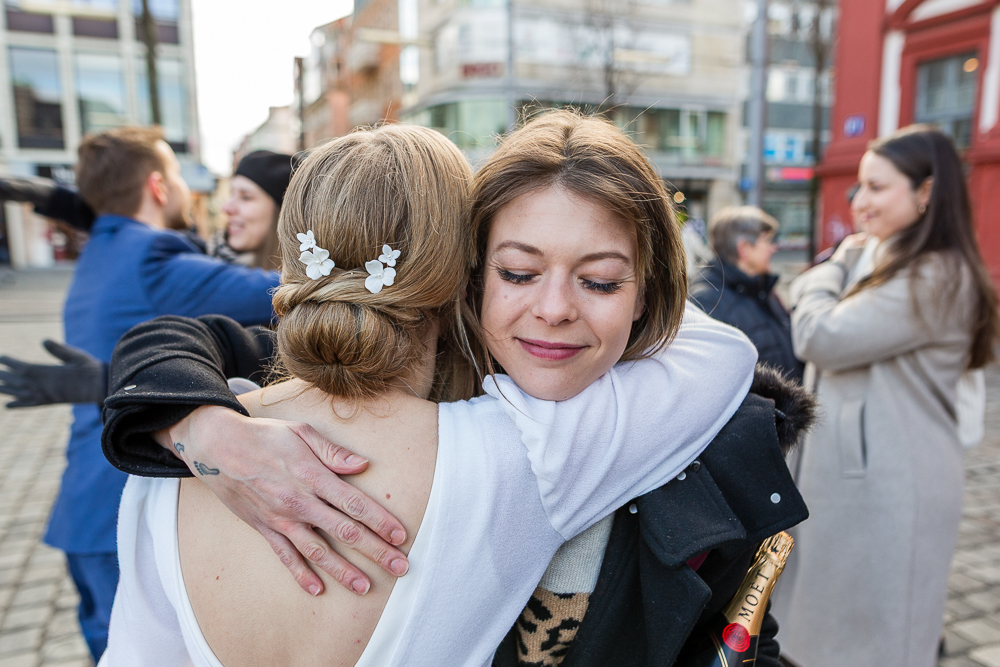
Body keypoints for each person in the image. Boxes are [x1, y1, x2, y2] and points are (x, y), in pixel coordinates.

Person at [101, 112, 812, 666]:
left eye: (597, 278)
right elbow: (722, 352)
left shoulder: (165, 471)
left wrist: (198, 427)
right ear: (462, 279)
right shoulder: (526, 453)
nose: (557, 307)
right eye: (518, 270)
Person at [46, 127, 283, 662]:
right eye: (176, 176)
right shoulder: (153, 258)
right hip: (124, 507)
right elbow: (285, 288)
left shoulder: (103, 248)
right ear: (157, 186)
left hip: (82, 507)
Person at [770, 125, 1000, 667]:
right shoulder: (890, 261)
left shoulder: (936, 274)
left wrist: (827, 273)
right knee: (832, 629)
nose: (860, 200)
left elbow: (821, 336)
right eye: (859, 186)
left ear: (926, 192)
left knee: (874, 638)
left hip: (891, 485)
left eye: (877, 186)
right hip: (864, 478)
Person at [0, 149, 296, 409]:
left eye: (245, 197)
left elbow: (299, 291)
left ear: (287, 213)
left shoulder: (291, 289)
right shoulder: (210, 261)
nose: (227, 207)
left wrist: (109, 380)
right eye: (231, 194)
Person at [690, 206, 804, 382]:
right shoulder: (708, 301)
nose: (772, 248)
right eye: (766, 240)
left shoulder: (762, 289)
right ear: (744, 248)